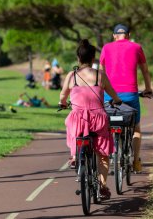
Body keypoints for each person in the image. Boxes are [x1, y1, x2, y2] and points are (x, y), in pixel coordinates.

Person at [59, 39, 122, 200]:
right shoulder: (100, 75)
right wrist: (116, 100)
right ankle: (102, 185)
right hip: (98, 118)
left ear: (78, 58)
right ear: (93, 59)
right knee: (102, 153)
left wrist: (62, 103)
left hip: (79, 118)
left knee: (71, 126)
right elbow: (113, 94)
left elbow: (63, 95)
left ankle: (74, 155)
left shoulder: (71, 75)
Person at [99, 24, 152, 174]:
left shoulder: (106, 48)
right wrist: (148, 88)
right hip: (130, 95)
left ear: (114, 35)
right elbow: (145, 70)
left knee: (107, 127)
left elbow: (101, 72)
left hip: (110, 96)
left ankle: (109, 156)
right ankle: (135, 161)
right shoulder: (136, 47)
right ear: (128, 35)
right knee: (136, 129)